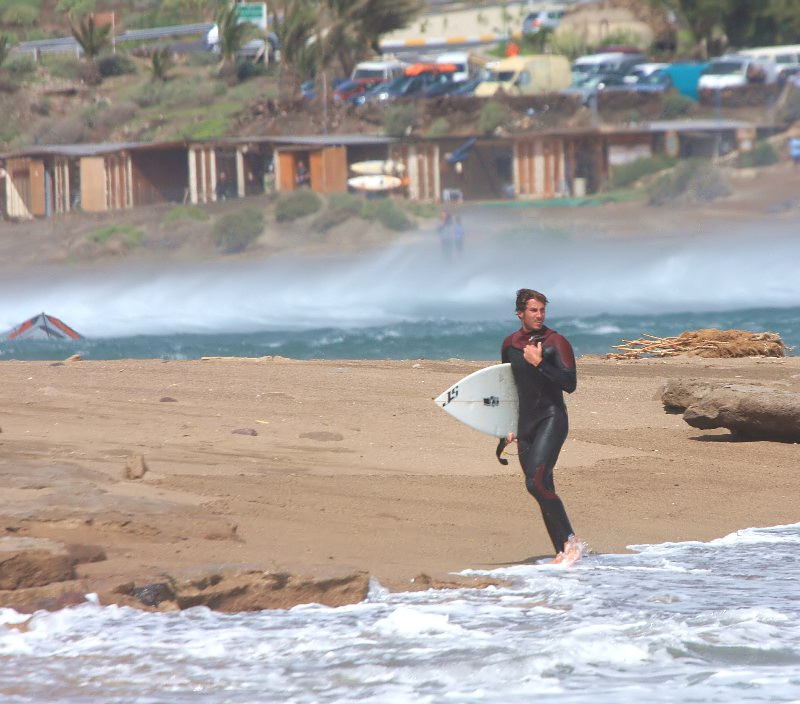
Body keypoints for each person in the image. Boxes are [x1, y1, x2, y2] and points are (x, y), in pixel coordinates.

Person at [501, 288, 582, 564]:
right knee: (543, 484)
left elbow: (569, 384)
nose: (539, 315)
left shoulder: (555, 342)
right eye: (533, 310)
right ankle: (561, 552)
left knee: (535, 482)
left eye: (542, 310)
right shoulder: (509, 344)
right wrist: (507, 425)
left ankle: (571, 541)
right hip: (525, 424)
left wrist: (539, 364)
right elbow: (508, 388)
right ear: (520, 313)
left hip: (551, 418)